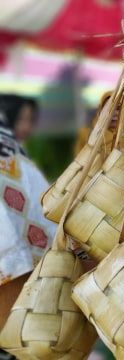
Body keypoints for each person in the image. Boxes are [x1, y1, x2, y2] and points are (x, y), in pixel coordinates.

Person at [0, 95, 55, 360]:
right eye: (22, 119)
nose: (26, 127)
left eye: (29, 120)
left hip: (20, 276)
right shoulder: (12, 151)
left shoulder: (12, 152)